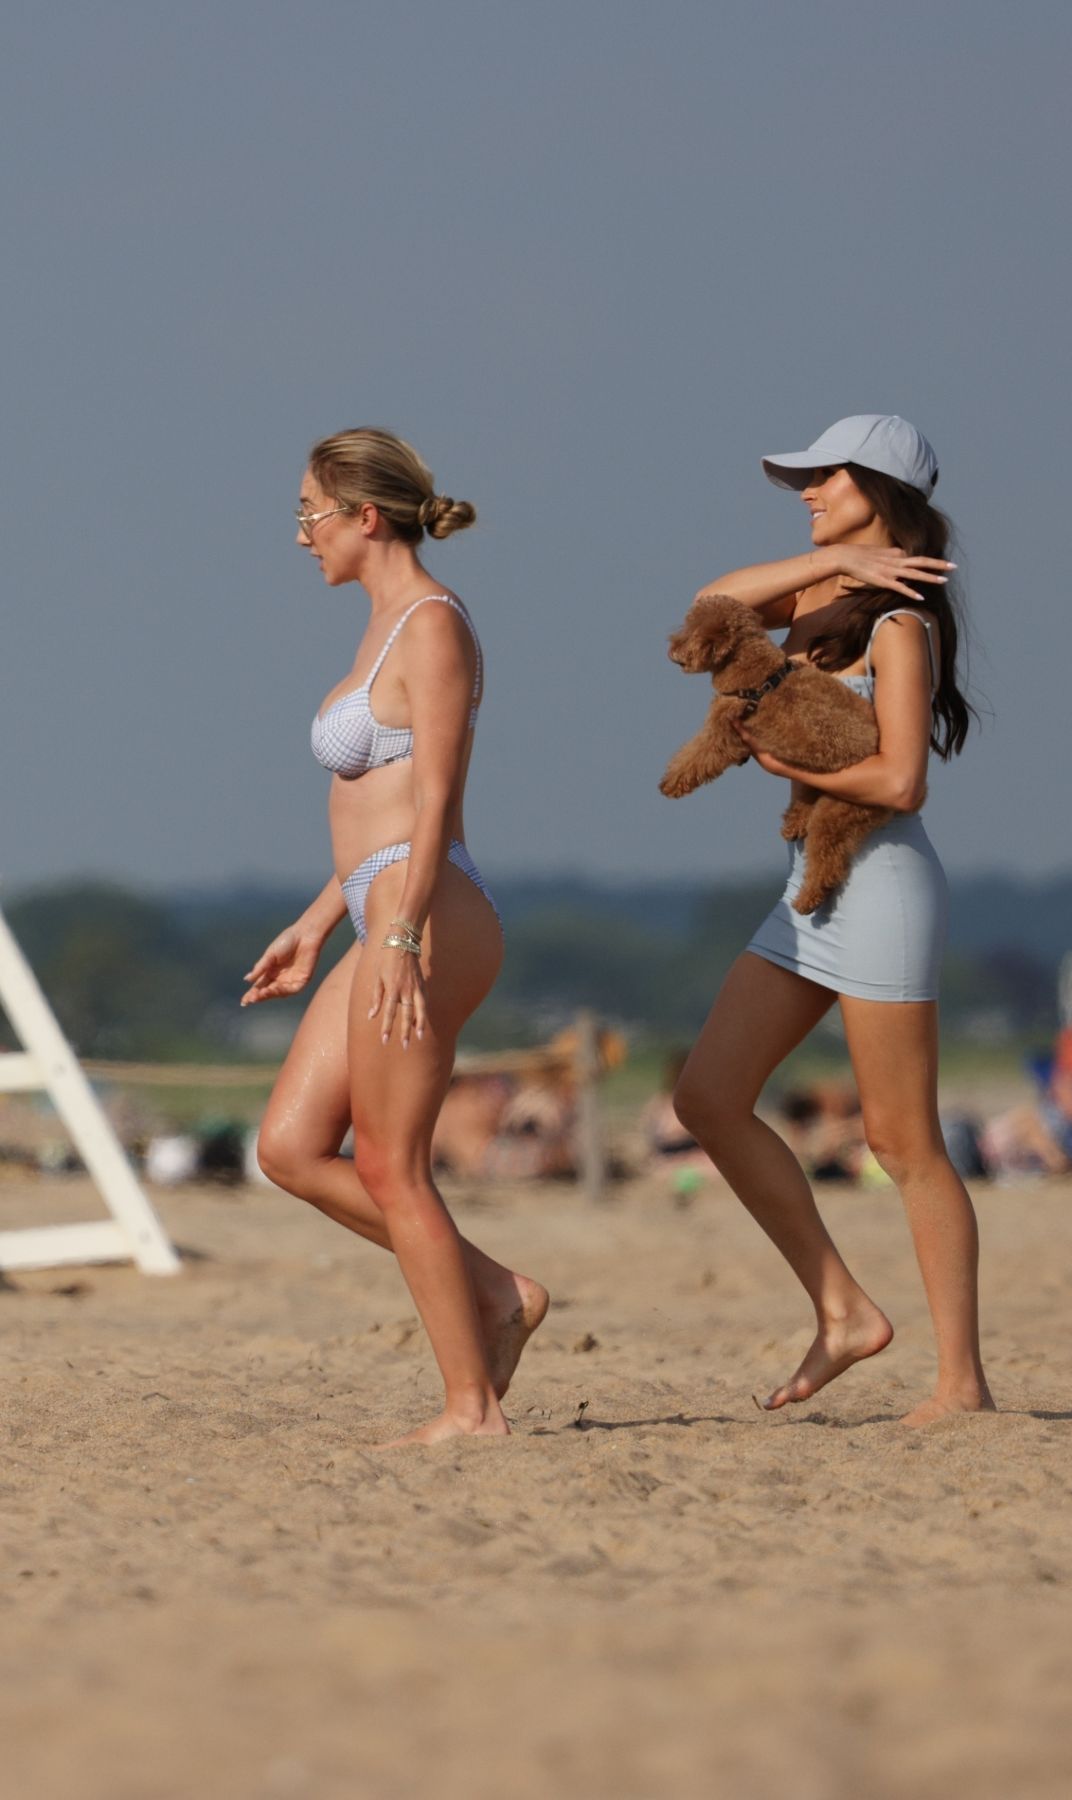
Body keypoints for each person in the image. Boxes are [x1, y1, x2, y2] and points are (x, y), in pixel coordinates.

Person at [673, 415, 994, 1426]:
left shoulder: (901, 622)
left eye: (827, 476)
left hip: (883, 885)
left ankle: (963, 1385)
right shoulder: (818, 598)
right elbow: (710, 607)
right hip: (807, 889)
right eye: (803, 477)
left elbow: (903, 781)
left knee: (904, 1144)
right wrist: (844, 554)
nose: (807, 489)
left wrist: (784, 765)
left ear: (881, 483)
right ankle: (844, 1308)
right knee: (707, 1098)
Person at [243, 427, 547, 1446]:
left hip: (426, 912)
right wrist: (316, 923)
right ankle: (496, 1294)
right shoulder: (378, 629)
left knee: (391, 1166)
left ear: (363, 517)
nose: (300, 537)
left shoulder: (432, 627)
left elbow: (434, 804)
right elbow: (369, 819)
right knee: (287, 1148)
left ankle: (471, 1409)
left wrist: (403, 934)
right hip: (376, 908)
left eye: (308, 514)